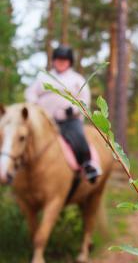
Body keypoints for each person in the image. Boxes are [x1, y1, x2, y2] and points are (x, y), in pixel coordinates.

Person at [25, 46, 100, 183]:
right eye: (59, 59)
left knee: (79, 138)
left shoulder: (77, 79)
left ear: (70, 62)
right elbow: (30, 92)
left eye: (64, 60)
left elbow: (84, 98)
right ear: (53, 61)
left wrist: (74, 109)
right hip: (45, 121)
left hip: (69, 121)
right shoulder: (43, 77)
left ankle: (88, 165)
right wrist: (35, 104)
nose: (61, 62)